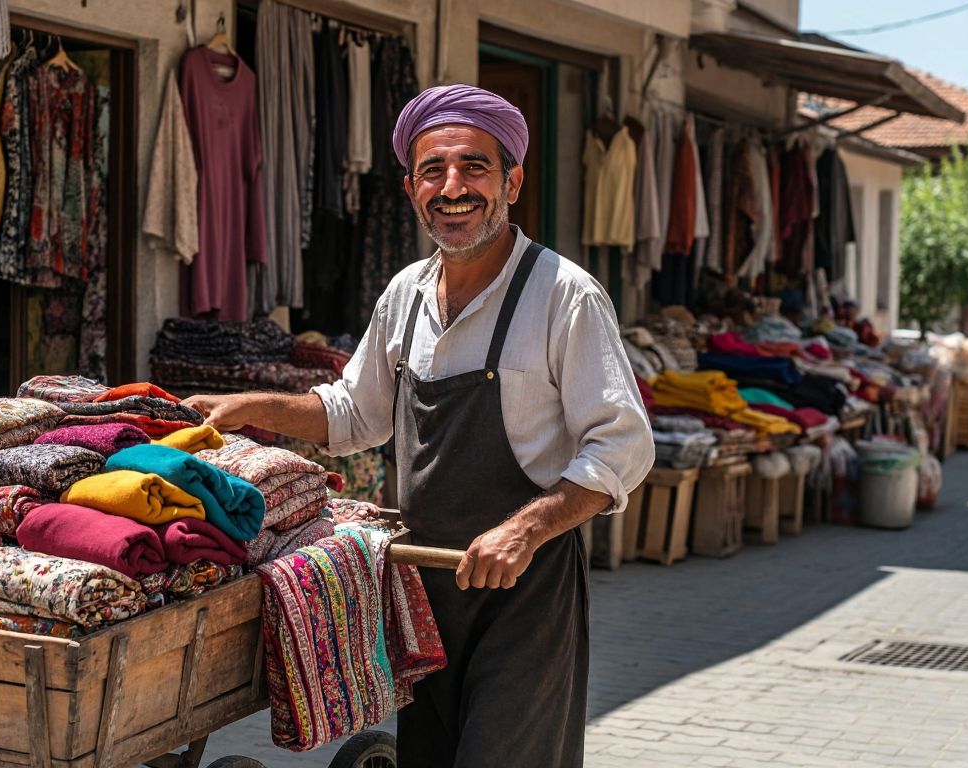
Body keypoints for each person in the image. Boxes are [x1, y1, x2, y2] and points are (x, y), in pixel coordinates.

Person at [183, 84, 653, 766]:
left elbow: (622, 446)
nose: (452, 187)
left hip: (525, 598)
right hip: (427, 588)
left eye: (474, 168)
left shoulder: (564, 296)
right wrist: (250, 407)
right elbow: (354, 413)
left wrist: (524, 529)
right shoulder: (404, 295)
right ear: (411, 189)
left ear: (512, 182)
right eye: (433, 171)